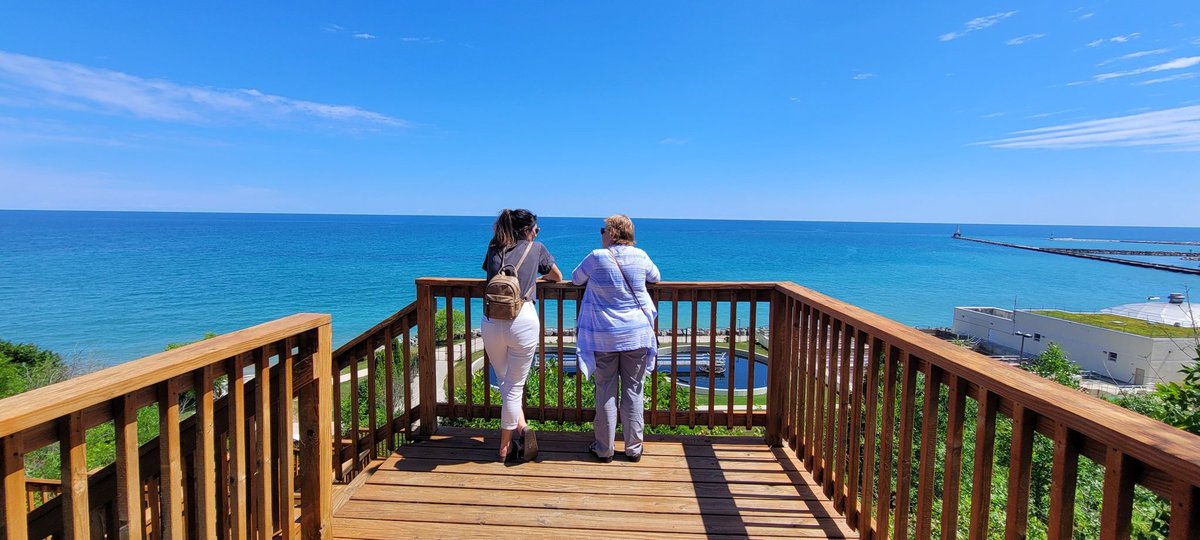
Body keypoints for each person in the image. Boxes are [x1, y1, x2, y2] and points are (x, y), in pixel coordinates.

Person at [572, 214, 661, 463]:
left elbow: (576, 277)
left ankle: (604, 449)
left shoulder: (597, 257)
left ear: (612, 233)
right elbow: (656, 277)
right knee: (634, 390)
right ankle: (634, 448)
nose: (600, 233)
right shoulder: (641, 256)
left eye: (603, 229)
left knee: (606, 390)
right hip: (637, 333)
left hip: (605, 336)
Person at [481, 209, 562, 462]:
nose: (537, 232)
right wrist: (538, 278)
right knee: (514, 386)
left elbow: (490, 277)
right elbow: (557, 276)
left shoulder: (495, 247)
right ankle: (505, 448)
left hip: (493, 321)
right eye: (535, 228)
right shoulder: (536, 248)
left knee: (505, 382)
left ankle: (522, 427)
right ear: (527, 230)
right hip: (523, 319)